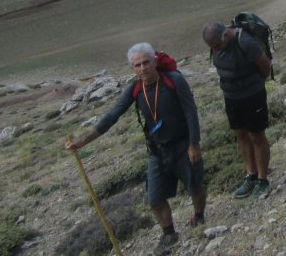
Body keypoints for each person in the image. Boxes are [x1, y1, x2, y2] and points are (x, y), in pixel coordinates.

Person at [65, 43, 205, 255]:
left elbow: (190, 112)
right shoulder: (135, 88)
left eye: (146, 62)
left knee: (194, 186)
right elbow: (113, 115)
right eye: (137, 65)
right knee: (155, 198)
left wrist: (194, 144)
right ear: (132, 68)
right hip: (157, 150)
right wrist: (83, 141)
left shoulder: (174, 80)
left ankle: (199, 215)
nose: (142, 68)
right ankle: (169, 233)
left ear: (155, 62)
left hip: (183, 144)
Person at [202, 21, 272, 199]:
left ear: (225, 35)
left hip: (252, 95)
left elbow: (265, 65)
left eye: (217, 45)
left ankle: (263, 180)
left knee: (257, 135)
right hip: (231, 96)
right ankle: (251, 175)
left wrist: (256, 83)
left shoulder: (245, 42)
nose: (216, 49)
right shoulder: (217, 45)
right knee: (241, 135)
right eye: (212, 47)